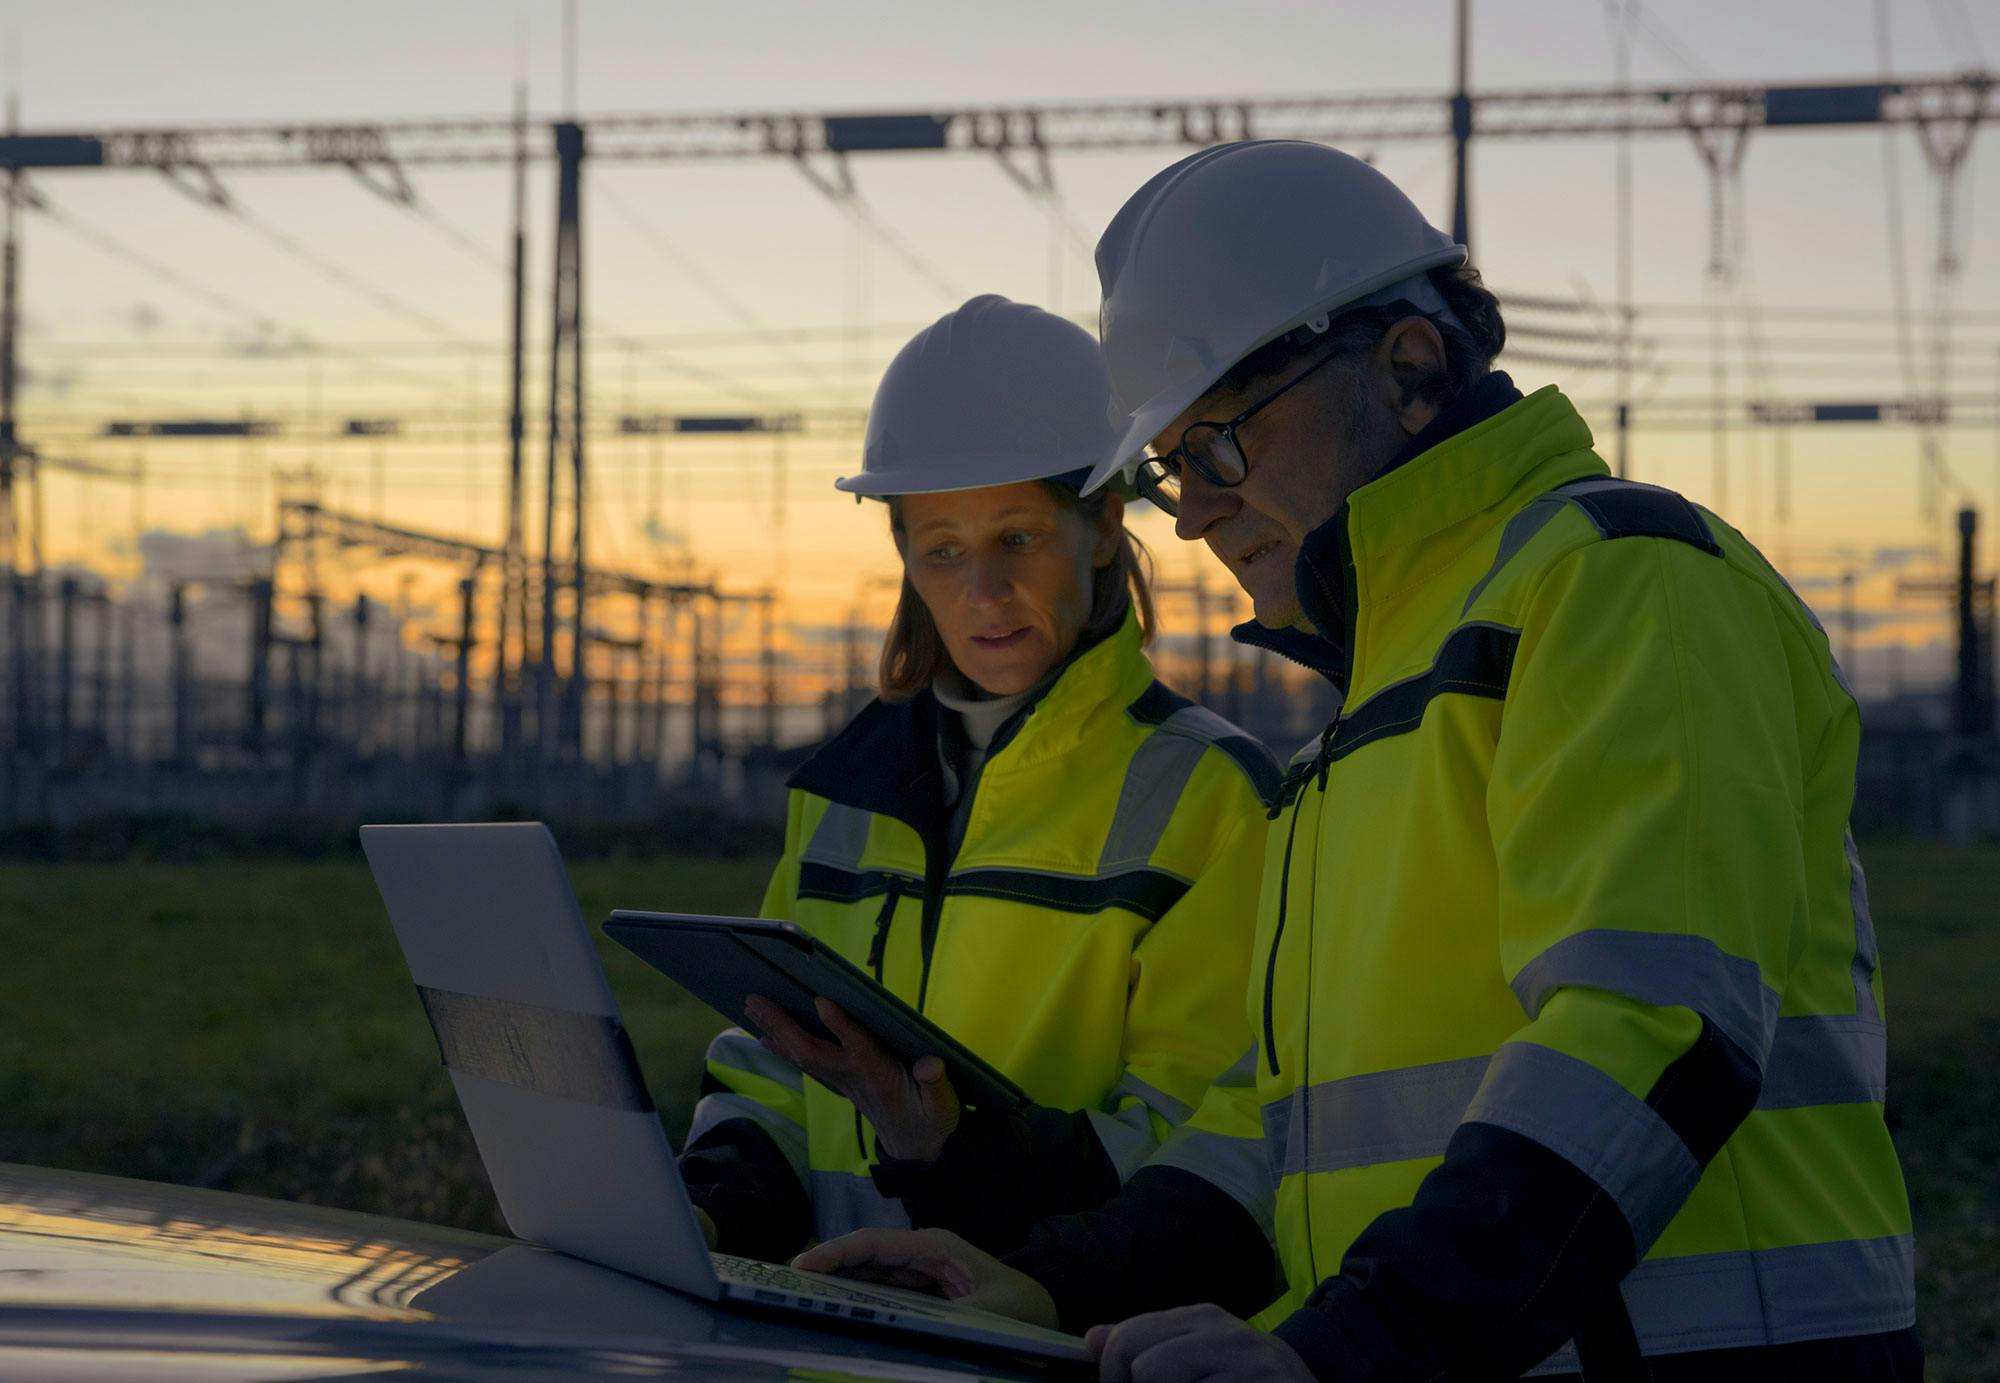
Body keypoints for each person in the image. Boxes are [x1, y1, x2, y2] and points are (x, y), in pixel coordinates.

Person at [798, 143, 1920, 1381]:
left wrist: (1353, 1348)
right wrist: (1048, 1281)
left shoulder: (1622, 581)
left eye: (1218, 445)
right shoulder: (1363, 722)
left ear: (1408, 366)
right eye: (1173, 470)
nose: (1200, 510)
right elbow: (1280, 1127)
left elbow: (1644, 1028)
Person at [678, 293, 1281, 1267]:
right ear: (905, 558)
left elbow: (1195, 1142)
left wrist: (960, 1159)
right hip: (829, 1353)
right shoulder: (842, 795)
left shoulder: (1208, 798)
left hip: (1053, 1341)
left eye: (1017, 538)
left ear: (1099, 526)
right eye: (943, 551)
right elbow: (769, 1073)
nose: (982, 593)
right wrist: (705, 1214)